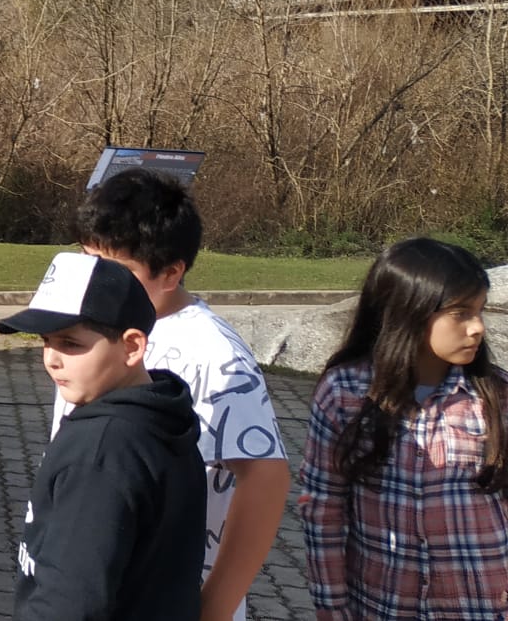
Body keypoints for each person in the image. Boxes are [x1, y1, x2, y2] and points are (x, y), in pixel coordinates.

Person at [52, 169, 290, 621]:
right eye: (86, 259)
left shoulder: (214, 356)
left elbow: (266, 478)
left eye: (115, 270)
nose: (93, 281)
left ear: (171, 272)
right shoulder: (92, 323)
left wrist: (212, 610)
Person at [300, 237, 508, 620]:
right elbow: (324, 510)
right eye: (460, 313)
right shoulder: (345, 394)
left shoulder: (495, 397)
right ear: (407, 313)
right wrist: (331, 607)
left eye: (480, 311)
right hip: (382, 605)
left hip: (481, 607)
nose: (477, 328)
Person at [0, 251, 206, 620]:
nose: (51, 359)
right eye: (46, 341)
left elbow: (70, 602)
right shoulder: (162, 413)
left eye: (70, 343)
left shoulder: (102, 450)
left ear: (132, 346)